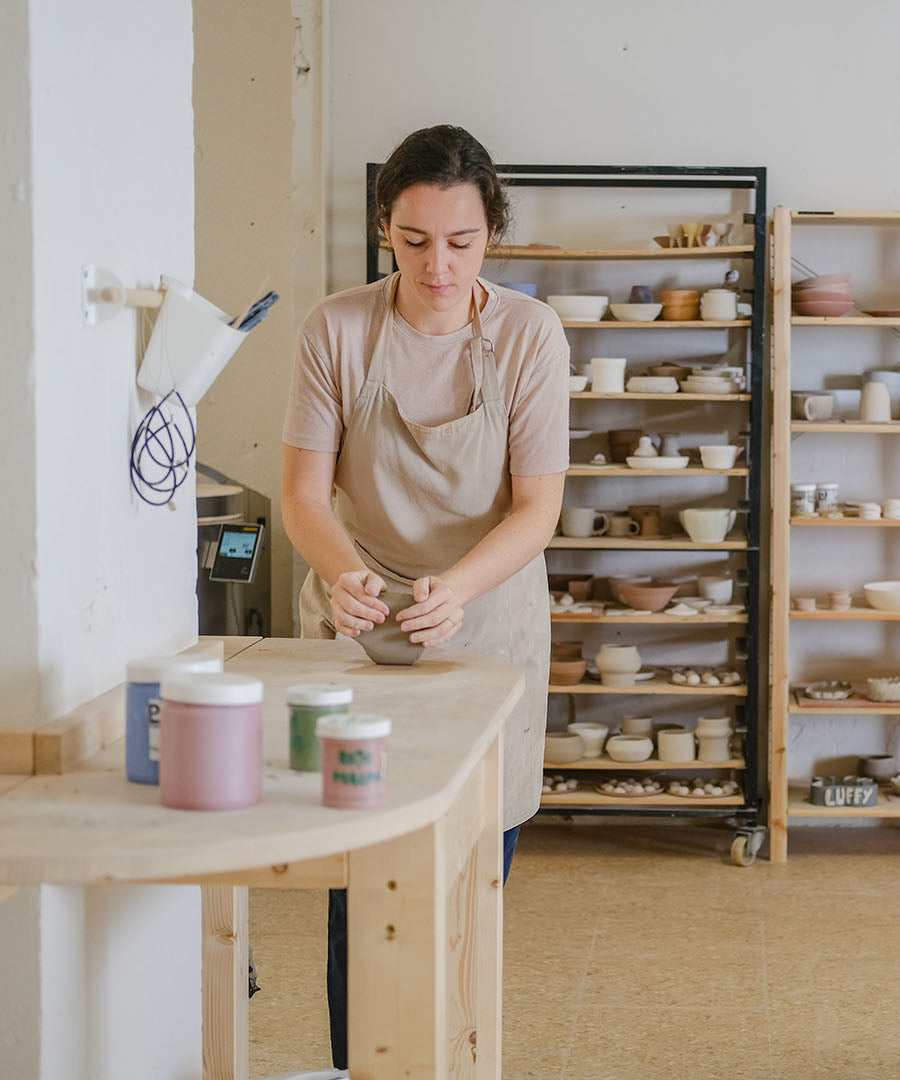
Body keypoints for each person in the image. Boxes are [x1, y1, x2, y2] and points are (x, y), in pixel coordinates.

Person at [280, 124, 567, 1070]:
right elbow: (301, 495)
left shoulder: (528, 333)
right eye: (413, 242)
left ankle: (458, 1059)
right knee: (359, 875)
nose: (436, 266)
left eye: (460, 241)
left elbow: (538, 507)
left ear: (492, 235)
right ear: (383, 231)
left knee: (472, 872)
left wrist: (456, 586)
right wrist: (340, 572)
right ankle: (357, 1064)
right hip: (360, 618)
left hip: (486, 615)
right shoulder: (338, 327)